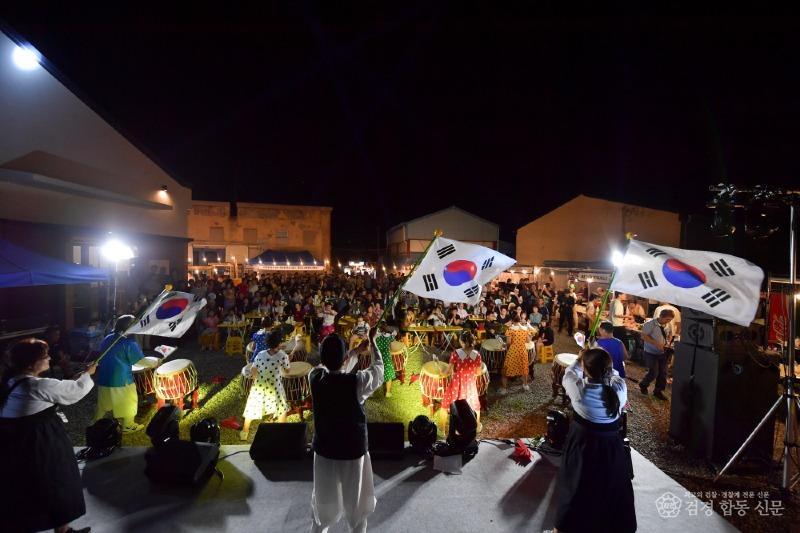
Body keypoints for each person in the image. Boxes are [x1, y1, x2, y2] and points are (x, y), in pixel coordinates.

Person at [0, 338, 97, 533]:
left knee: (30, 486)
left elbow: (57, 388)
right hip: (41, 441)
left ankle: (61, 529)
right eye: (44, 356)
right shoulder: (35, 385)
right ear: (30, 364)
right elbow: (74, 392)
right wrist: (88, 374)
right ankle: (62, 530)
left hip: (18, 441)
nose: (49, 358)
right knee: (56, 481)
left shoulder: (12, 381)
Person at [309, 331, 384, 533]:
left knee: (322, 505)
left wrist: (355, 352)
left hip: (325, 451)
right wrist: (373, 343)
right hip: (352, 452)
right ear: (344, 360)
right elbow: (379, 369)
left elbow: (333, 367)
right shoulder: (357, 382)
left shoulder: (314, 376)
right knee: (357, 508)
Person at [554, 347, 635, 533]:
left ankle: (562, 528)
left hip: (583, 446)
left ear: (585, 368)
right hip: (611, 447)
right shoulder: (619, 388)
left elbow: (569, 374)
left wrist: (580, 358)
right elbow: (613, 374)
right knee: (610, 488)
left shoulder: (579, 390)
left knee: (574, 487)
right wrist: (598, 360)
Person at [94, 315, 146, 432]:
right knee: (129, 401)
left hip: (104, 378)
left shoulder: (107, 338)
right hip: (122, 380)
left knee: (103, 404)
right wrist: (156, 361)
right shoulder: (129, 342)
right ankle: (128, 425)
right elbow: (140, 361)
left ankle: (96, 422)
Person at [240, 329, 291, 440]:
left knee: (252, 408)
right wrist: (287, 360)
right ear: (279, 343)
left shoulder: (260, 354)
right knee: (281, 408)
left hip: (259, 385)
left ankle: (244, 431)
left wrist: (255, 377)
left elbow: (253, 370)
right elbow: (287, 371)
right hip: (275, 386)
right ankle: (281, 433)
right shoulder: (283, 355)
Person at [440, 331, 483, 427]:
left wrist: (442, 373)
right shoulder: (477, 355)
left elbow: (448, 371)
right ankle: (476, 425)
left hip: (457, 383)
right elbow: (479, 372)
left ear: (462, 342)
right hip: (470, 384)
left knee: (448, 403)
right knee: (474, 404)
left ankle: (442, 428)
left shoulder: (456, 353)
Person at [639, 308, 675, 400]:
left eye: (670, 319)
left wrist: (668, 341)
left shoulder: (669, 324)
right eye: (667, 319)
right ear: (661, 316)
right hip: (650, 352)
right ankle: (644, 384)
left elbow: (670, 334)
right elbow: (643, 336)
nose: (669, 321)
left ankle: (658, 391)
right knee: (654, 372)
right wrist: (656, 344)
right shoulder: (650, 324)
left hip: (663, 352)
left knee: (663, 373)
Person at [500, 315, 531, 394]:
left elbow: (508, 342)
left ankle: (504, 389)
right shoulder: (525, 329)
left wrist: (504, 345)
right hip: (522, 351)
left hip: (513, 351)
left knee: (505, 370)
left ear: (513, 321)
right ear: (520, 321)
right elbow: (528, 341)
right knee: (524, 367)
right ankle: (525, 385)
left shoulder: (510, 329)